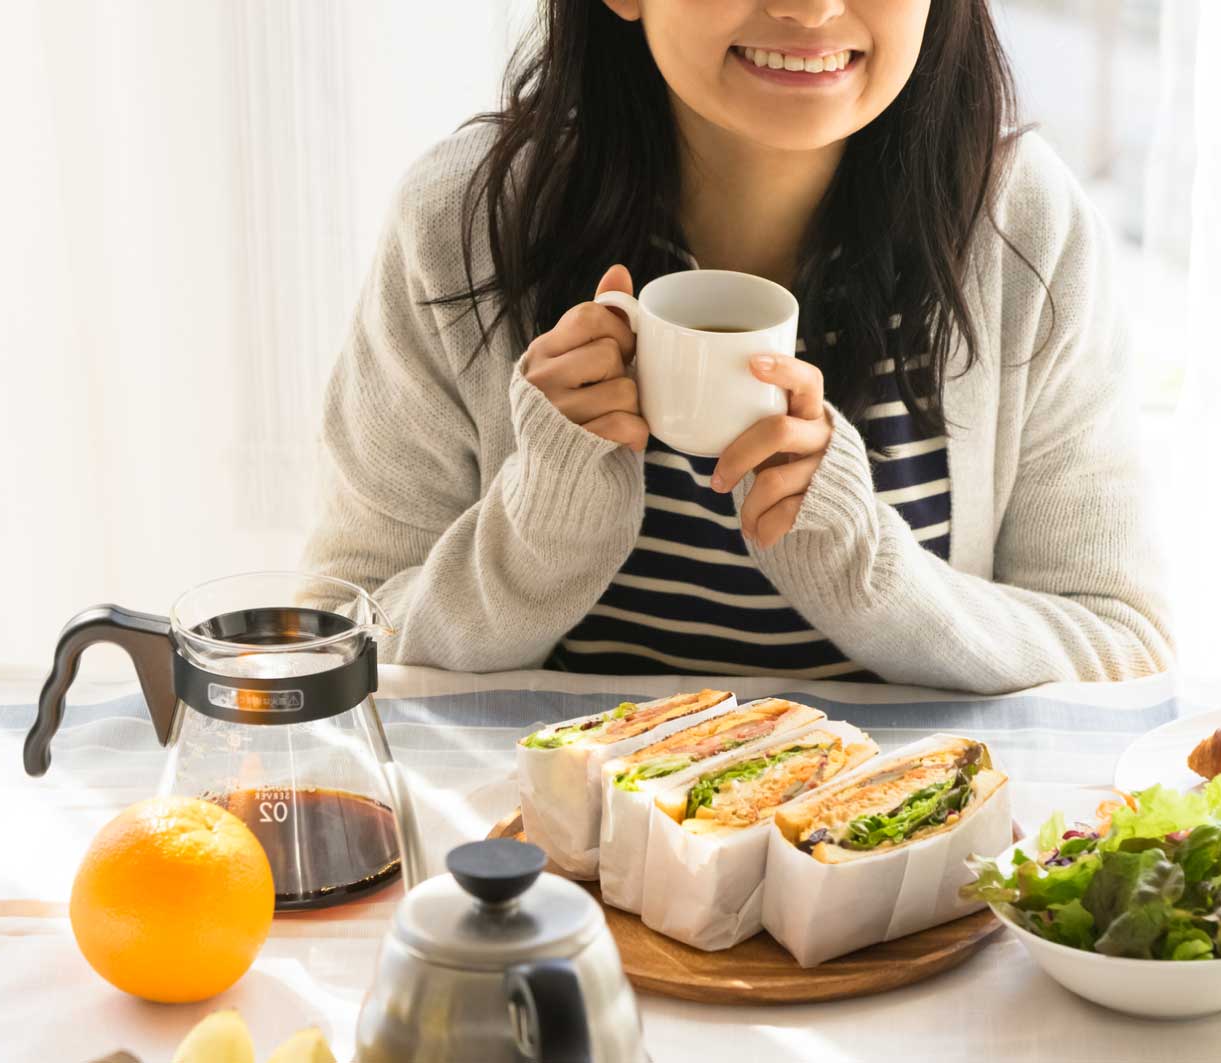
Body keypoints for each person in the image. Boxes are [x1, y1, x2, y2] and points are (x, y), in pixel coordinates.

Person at [302, 0, 1174, 694]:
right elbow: (337, 644)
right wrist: (536, 533)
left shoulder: (1021, 231)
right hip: (558, 886)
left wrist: (867, 572)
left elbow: (1123, 651)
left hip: (900, 890)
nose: (810, 8)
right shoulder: (466, 225)